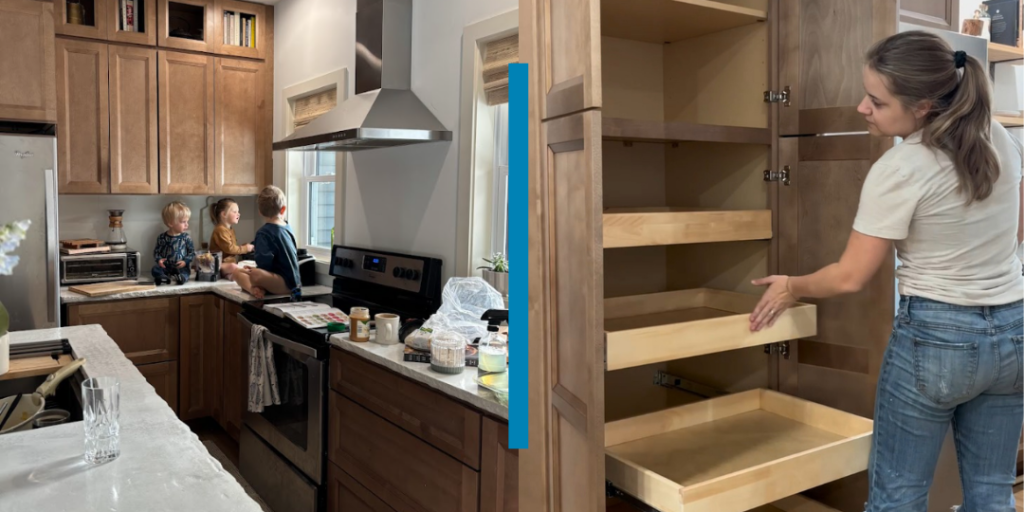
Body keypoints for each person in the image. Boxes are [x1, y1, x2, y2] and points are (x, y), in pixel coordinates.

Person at [749, 31, 1024, 511]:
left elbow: (850, 276)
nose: (862, 108)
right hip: (1013, 332)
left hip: (937, 339)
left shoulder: (902, 167)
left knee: (897, 497)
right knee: (991, 493)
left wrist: (791, 285)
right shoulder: (998, 137)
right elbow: (1017, 228)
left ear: (922, 107)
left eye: (877, 101)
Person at [236, 185, 301, 300]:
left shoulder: (264, 233)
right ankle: (258, 288)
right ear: (283, 209)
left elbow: (263, 263)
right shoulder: (288, 227)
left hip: (281, 284)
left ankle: (254, 289)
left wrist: (255, 271)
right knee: (251, 272)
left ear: (260, 212)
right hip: (295, 282)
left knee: (239, 273)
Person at [207, 198, 255, 280]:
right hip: (219, 264)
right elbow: (230, 249)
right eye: (235, 212)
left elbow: (231, 248)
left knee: (245, 265)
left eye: (238, 211)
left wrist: (242, 247)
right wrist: (245, 248)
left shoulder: (229, 230)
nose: (238, 214)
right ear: (224, 214)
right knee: (233, 266)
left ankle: (231, 274)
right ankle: (231, 274)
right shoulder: (220, 230)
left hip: (228, 263)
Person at [153, 201, 196, 285]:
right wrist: (159, 260)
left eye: (187, 221)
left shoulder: (186, 238)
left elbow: (191, 252)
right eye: (183, 222)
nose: (187, 225)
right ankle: (163, 278)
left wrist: (185, 262)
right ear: (171, 223)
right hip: (166, 266)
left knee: (186, 272)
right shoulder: (162, 237)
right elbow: (157, 251)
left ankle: (181, 278)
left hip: (180, 267)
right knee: (155, 269)